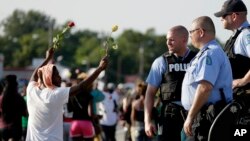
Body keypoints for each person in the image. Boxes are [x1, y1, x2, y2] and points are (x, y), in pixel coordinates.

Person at [25, 47, 108, 141]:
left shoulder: (32, 90)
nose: (60, 78)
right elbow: (81, 87)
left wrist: (47, 59)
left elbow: (35, 74)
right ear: (49, 78)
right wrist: (100, 69)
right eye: (56, 75)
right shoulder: (56, 93)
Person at [181, 16, 233, 141]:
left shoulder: (210, 53)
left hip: (206, 118)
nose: (190, 36)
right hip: (202, 116)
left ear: (201, 32)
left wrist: (190, 117)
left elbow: (205, 87)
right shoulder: (205, 53)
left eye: (191, 32)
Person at [144, 25, 197, 141]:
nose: (168, 42)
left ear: (184, 40)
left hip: (194, 115)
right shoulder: (161, 62)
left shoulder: (197, 59)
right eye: (167, 39)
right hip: (169, 117)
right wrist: (147, 121)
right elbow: (150, 93)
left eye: (172, 39)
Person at [214, 0, 250, 114]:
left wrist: (243, 81)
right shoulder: (234, 38)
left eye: (224, 16)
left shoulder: (246, 35)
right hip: (237, 102)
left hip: (246, 103)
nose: (221, 19)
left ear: (234, 16)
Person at [0, 75, 27, 141]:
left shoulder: (1, 98)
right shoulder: (19, 98)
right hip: (16, 129)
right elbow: (25, 114)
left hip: (3, 129)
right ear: (16, 85)